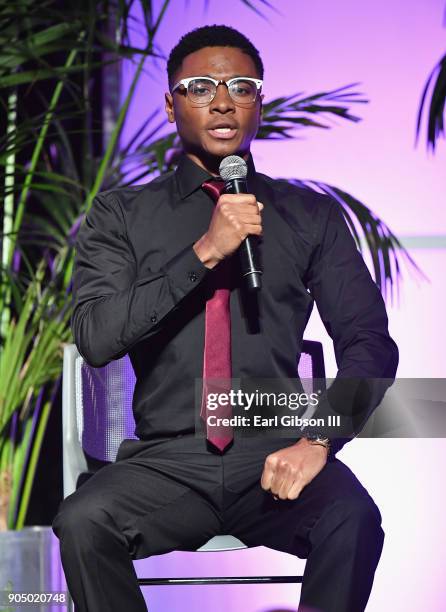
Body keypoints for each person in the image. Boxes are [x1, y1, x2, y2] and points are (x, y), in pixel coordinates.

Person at [53, 24, 399, 612]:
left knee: (354, 518)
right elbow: (97, 336)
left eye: (240, 86)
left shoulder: (307, 214)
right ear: (170, 104)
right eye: (199, 87)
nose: (221, 101)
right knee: (85, 521)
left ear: (258, 102)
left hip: (274, 451)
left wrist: (319, 439)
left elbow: (370, 344)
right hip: (165, 460)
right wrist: (205, 253)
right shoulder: (122, 214)